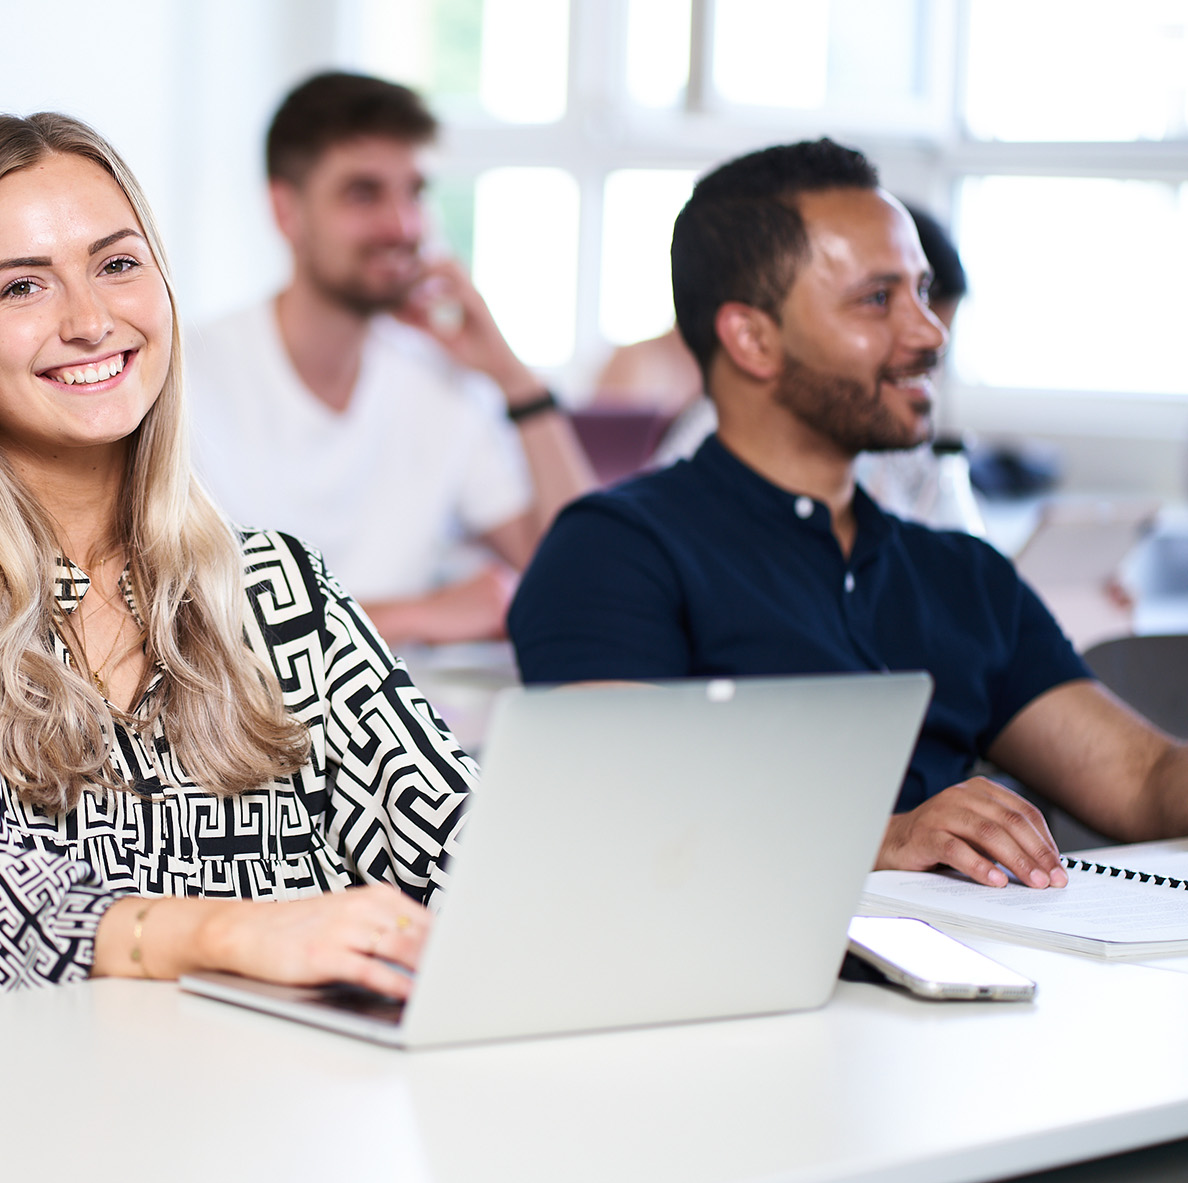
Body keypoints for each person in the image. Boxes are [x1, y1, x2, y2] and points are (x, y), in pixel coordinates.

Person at [0, 112, 470, 1013]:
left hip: (275, 1105)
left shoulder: (274, 588)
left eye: (117, 265)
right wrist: (234, 932)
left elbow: (469, 863)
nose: (90, 320)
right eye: (23, 287)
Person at [509, 138, 1188, 889]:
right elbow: (622, 807)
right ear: (753, 339)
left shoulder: (960, 574)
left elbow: (1145, 778)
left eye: (924, 294)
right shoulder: (615, 551)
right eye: (877, 300)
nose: (930, 332)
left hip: (978, 981)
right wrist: (886, 837)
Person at [189, 72, 593, 646]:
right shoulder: (186, 377)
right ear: (286, 211)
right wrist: (418, 615)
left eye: (415, 193)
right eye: (364, 193)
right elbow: (172, 626)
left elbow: (584, 577)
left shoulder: (444, 380)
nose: (404, 226)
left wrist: (513, 377)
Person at [617, 201, 981, 533]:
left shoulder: (895, 437)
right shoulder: (709, 439)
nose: (932, 341)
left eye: (923, 297)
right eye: (878, 301)